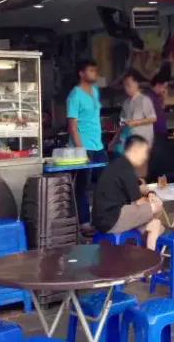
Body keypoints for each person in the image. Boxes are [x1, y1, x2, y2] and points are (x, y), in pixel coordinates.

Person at [92, 135, 163, 250]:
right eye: (145, 152)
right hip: (112, 219)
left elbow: (139, 184)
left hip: (102, 220)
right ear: (135, 150)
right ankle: (146, 253)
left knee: (155, 225)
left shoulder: (118, 164)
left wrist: (149, 192)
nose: (146, 157)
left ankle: (151, 263)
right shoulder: (125, 169)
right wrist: (153, 200)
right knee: (156, 206)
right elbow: (139, 201)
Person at [66, 59, 108, 232]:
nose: (95, 74)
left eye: (95, 70)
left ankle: (104, 218)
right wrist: (80, 150)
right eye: (91, 70)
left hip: (98, 146)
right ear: (81, 73)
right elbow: (73, 127)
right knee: (83, 186)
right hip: (83, 147)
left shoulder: (95, 91)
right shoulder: (74, 95)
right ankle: (84, 222)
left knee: (106, 182)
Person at [109, 72, 157, 175]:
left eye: (128, 84)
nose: (126, 87)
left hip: (142, 143)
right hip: (128, 143)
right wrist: (114, 140)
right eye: (125, 85)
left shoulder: (144, 99)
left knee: (140, 173)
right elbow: (122, 124)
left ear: (136, 84)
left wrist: (136, 122)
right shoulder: (126, 102)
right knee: (127, 173)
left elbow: (153, 118)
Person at [145, 73, 169, 180]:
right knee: (155, 163)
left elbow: (161, 109)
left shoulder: (157, 96)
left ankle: (159, 183)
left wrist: (164, 98)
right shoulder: (148, 96)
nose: (164, 89)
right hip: (154, 133)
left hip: (160, 132)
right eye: (164, 86)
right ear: (158, 84)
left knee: (161, 162)